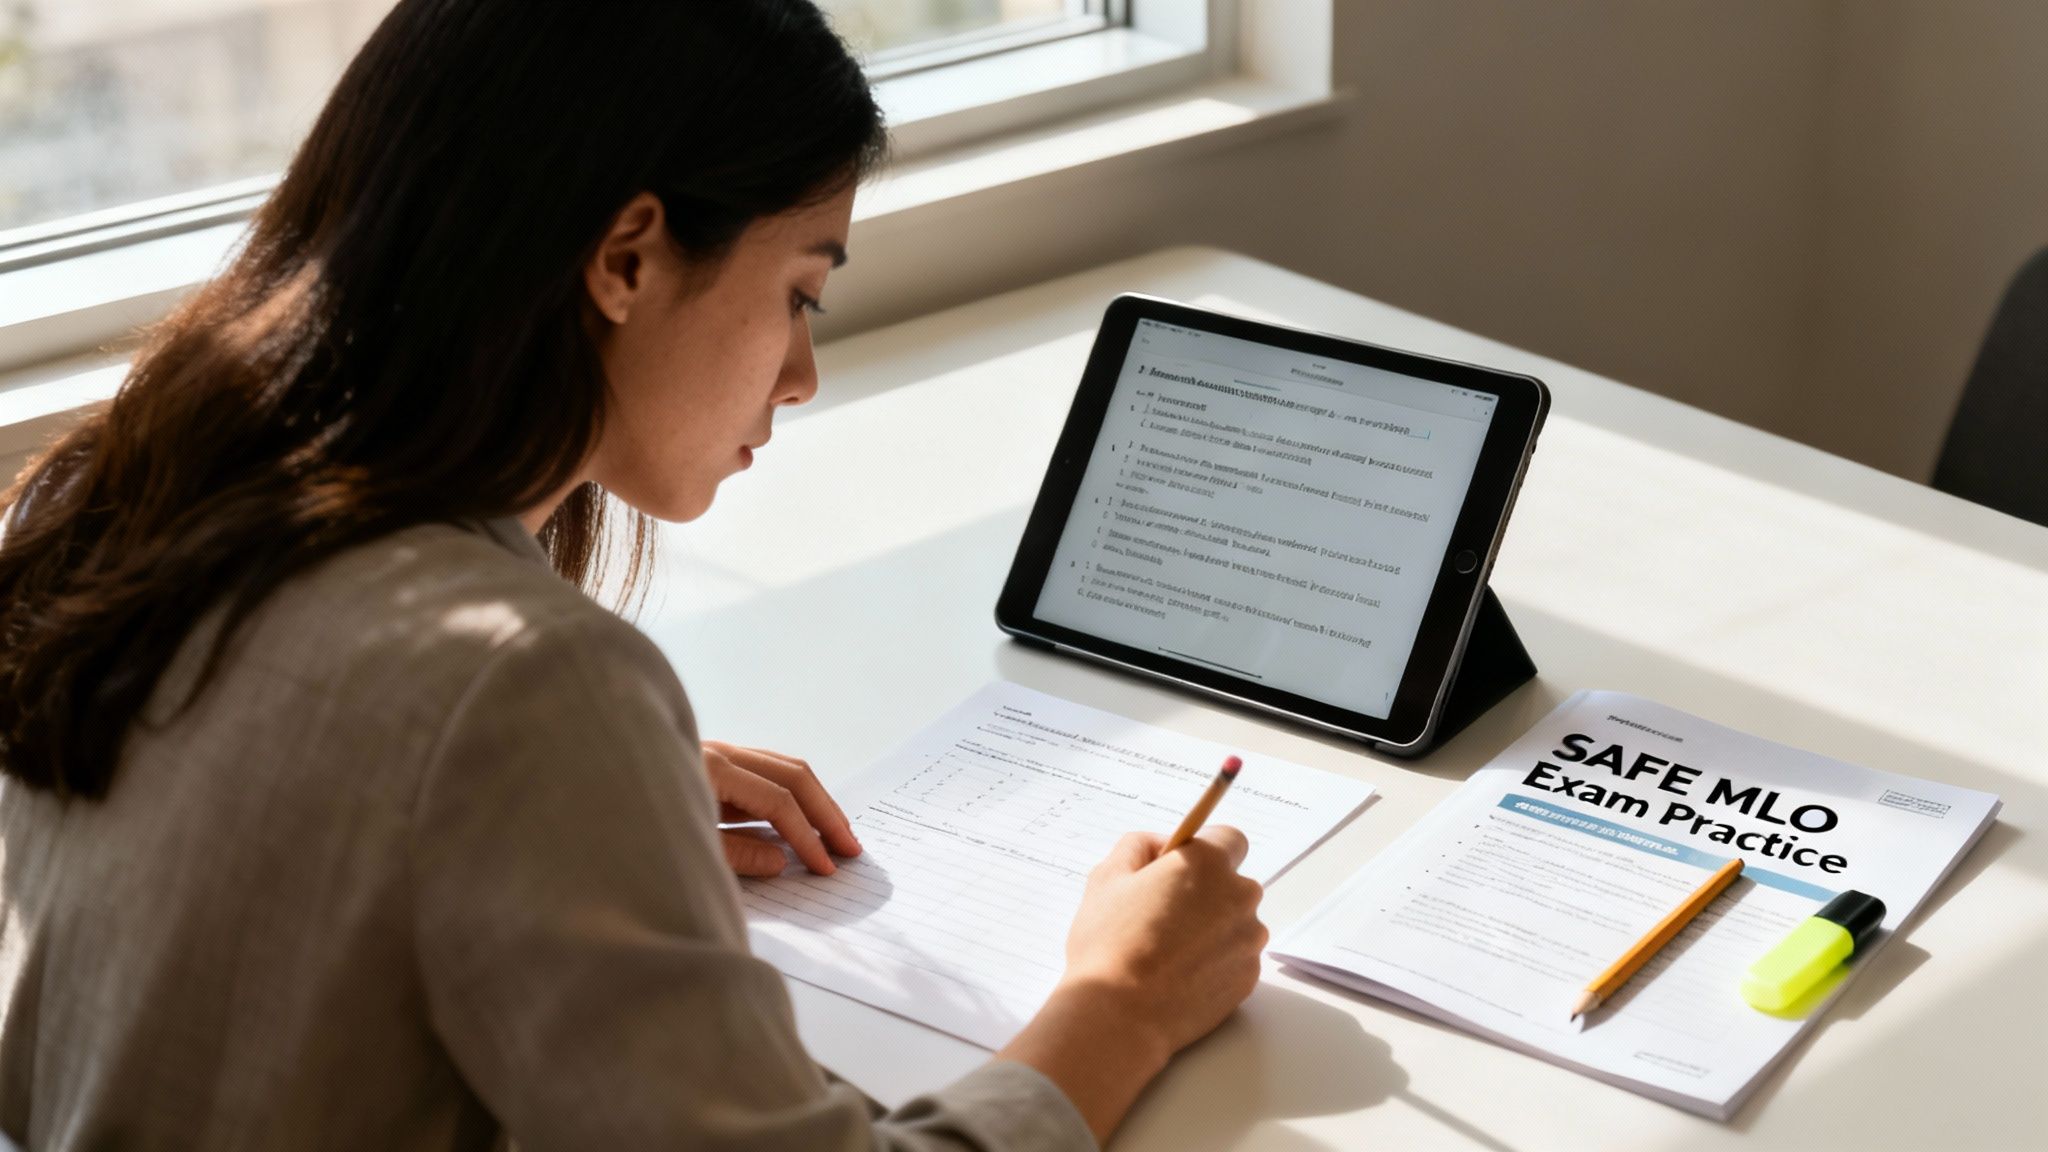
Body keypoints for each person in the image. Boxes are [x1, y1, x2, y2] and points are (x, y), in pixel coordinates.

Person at [0, 2, 1268, 1148]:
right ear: (626, 259)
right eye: (801, 293)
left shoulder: (98, 498)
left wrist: (556, 824)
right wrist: (1120, 1005)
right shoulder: (518, 686)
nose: (799, 375)